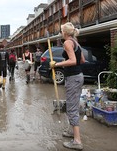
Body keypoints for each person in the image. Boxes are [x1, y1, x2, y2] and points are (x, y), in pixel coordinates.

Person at [50, 22, 85, 150]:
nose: (60, 33)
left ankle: (77, 141)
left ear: (64, 32)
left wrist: (56, 65)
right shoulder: (76, 42)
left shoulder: (67, 43)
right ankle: (71, 132)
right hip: (78, 76)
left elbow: (73, 61)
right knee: (72, 104)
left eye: (61, 31)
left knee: (72, 108)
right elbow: (82, 60)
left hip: (73, 78)